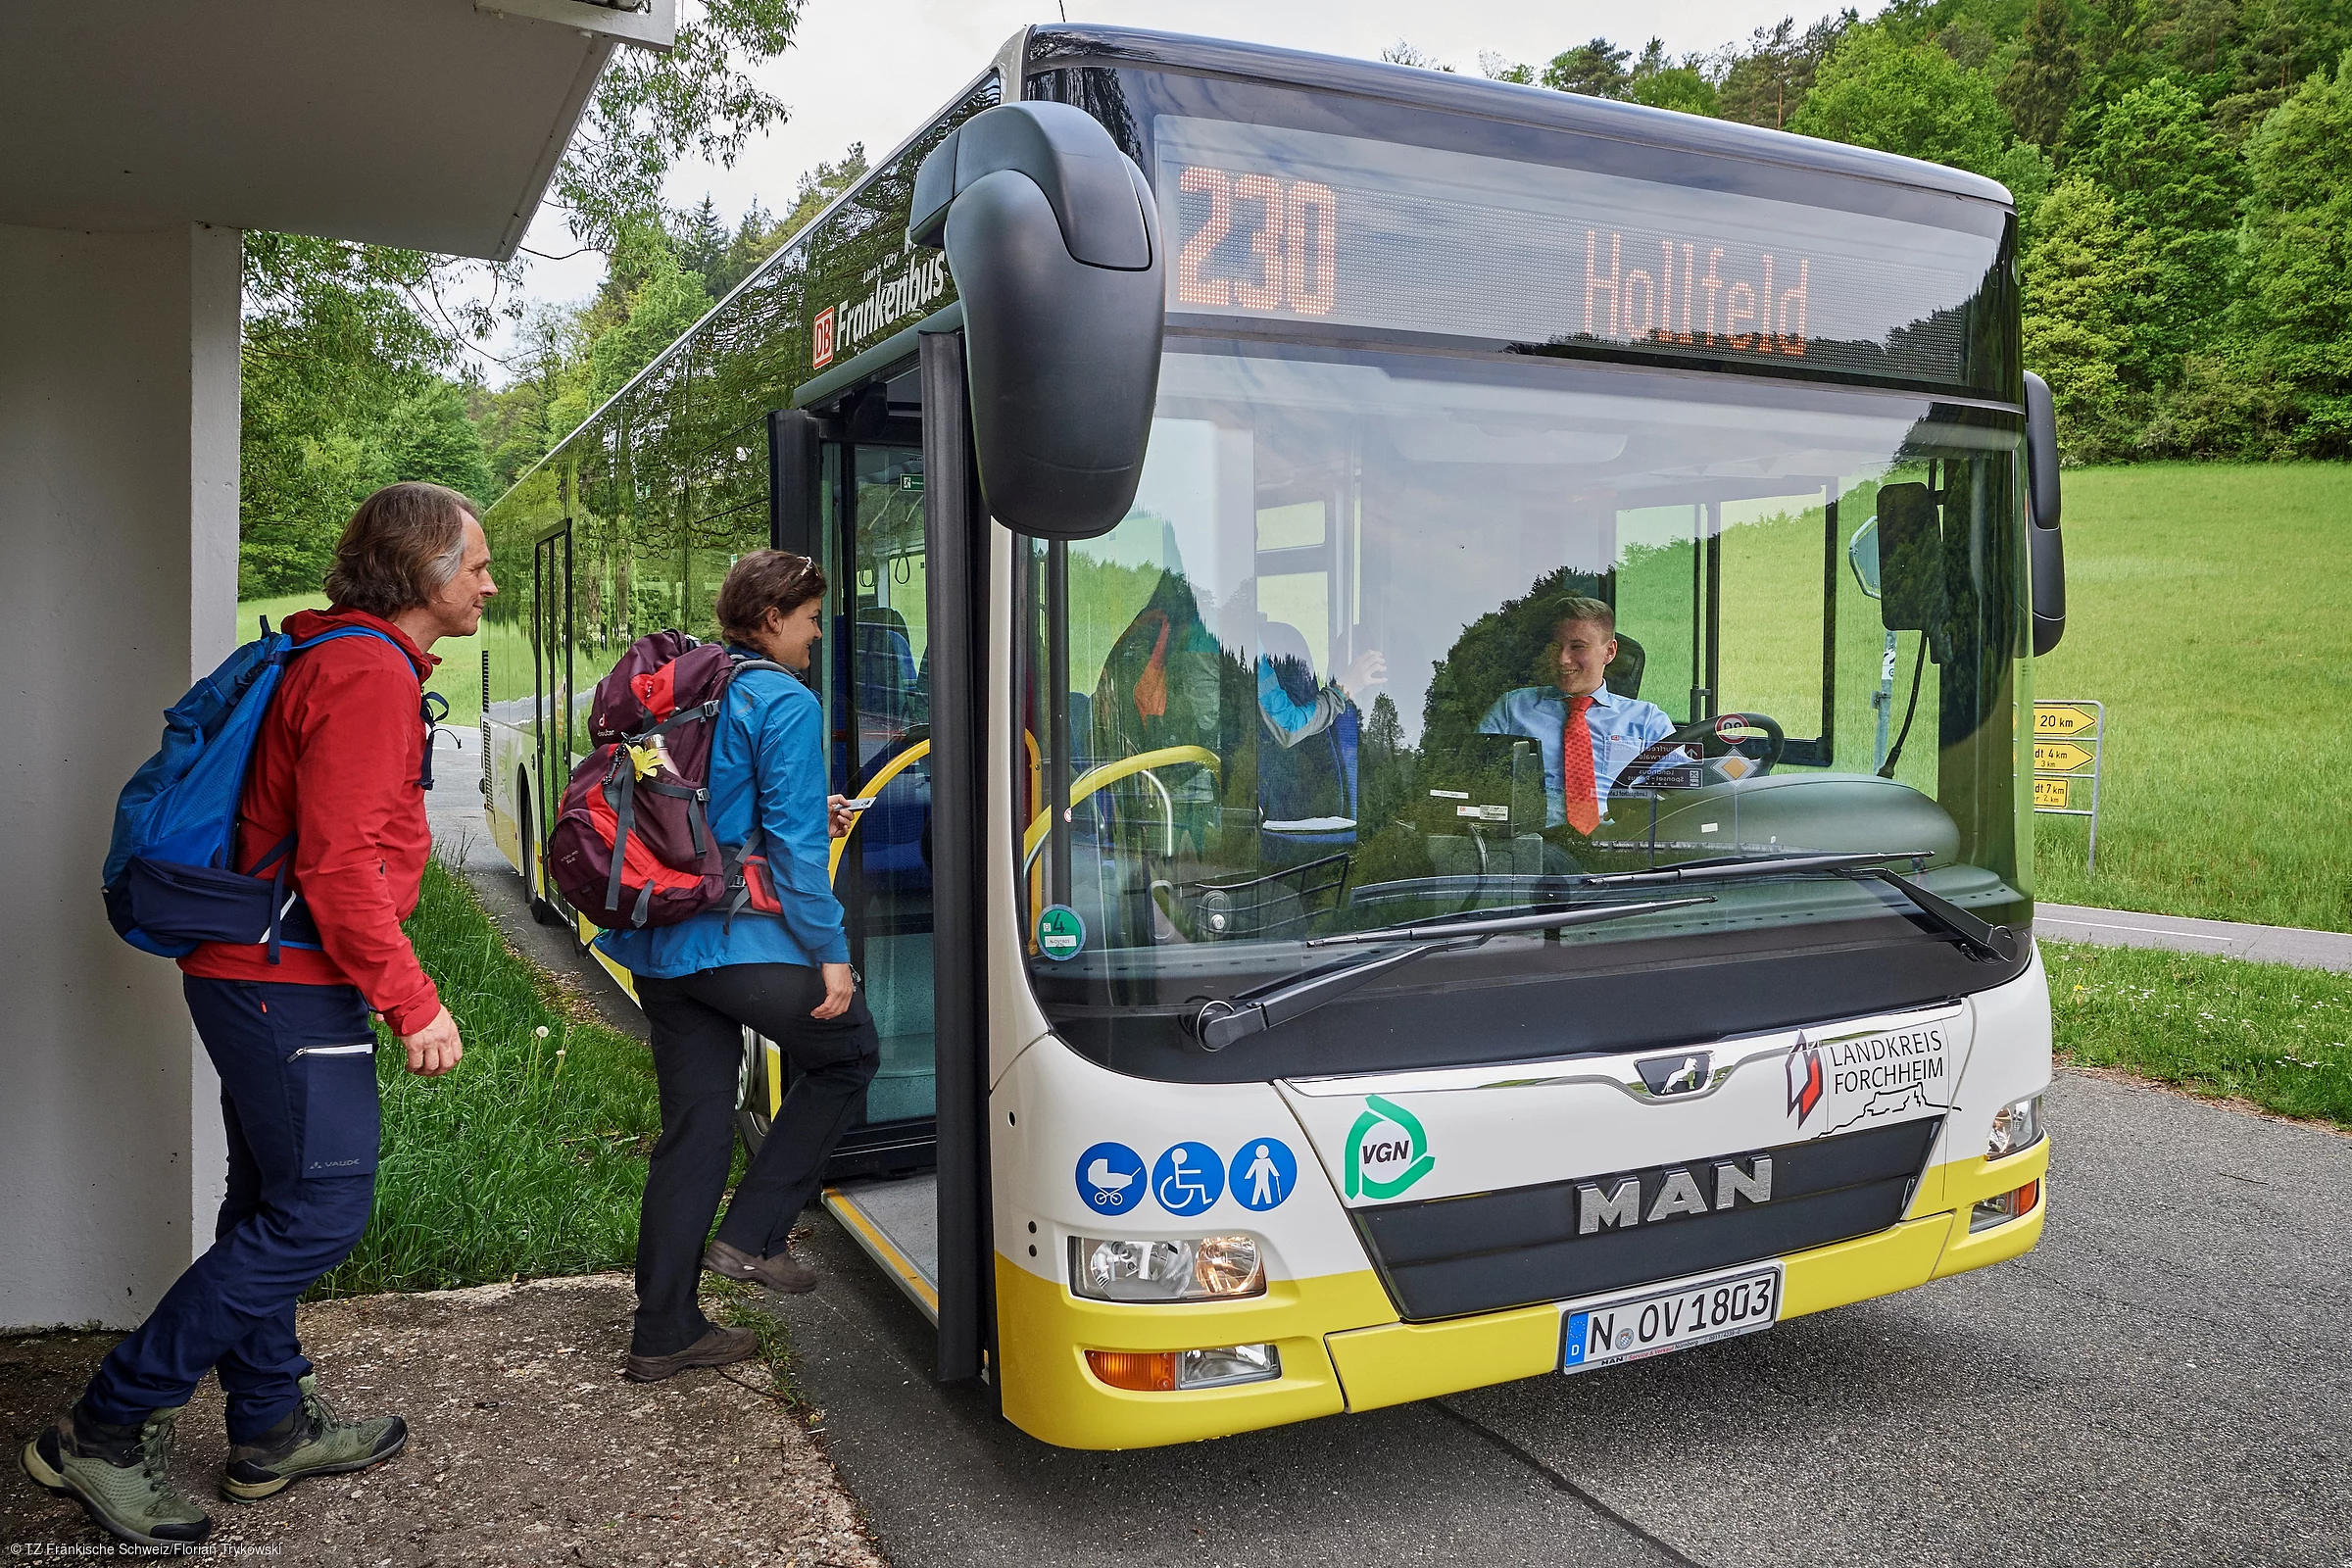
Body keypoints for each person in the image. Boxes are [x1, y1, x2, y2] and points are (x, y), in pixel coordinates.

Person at [22, 482, 491, 1548]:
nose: (487, 582)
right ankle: (102, 1425)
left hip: (257, 969)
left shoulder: (338, 654)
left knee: (272, 1196)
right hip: (286, 977)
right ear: (423, 571)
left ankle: (270, 1421)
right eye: (476, 563)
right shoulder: (367, 671)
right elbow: (338, 864)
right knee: (323, 1208)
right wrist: (413, 1000)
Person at [596, 550, 879, 1385]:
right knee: (850, 1055)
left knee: (697, 1128)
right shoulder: (782, 699)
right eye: (811, 619)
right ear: (771, 620)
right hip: (734, 945)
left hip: (657, 944)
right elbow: (792, 852)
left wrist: (800, 815)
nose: (816, 635)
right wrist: (831, 956)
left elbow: (715, 813)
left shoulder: (693, 691)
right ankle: (752, 1236)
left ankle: (665, 1329)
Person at [1478, 596, 1679, 833]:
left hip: (1617, 843)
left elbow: (1684, 792)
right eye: (1556, 647)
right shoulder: (1513, 708)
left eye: (1577, 646)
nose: (1563, 659)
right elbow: (1474, 779)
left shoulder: (1646, 721)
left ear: (1610, 652)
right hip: (1530, 839)